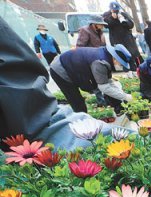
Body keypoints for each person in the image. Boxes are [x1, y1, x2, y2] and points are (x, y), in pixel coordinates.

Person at [0, 17, 123, 151]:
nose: (101, 26)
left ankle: (84, 128)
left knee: (93, 89)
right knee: (77, 100)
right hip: (62, 70)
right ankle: (82, 129)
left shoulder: (100, 47)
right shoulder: (88, 40)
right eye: (100, 24)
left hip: (78, 63)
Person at [49, 44, 133, 115]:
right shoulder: (100, 62)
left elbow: (108, 82)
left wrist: (122, 94)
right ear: (115, 58)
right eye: (120, 63)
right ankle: (83, 126)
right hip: (60, 69)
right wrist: (125, 96)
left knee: (83, 97)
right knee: (77, 101)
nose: (120, 66)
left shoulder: (106, 57)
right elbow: (104, 87)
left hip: (71, 64)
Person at [103, 1, 142, 72]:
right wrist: (112, 18)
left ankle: (134, 71)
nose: (115, 11)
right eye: (113, 10)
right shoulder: (106, 15)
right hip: (116, 40)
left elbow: (131, 25)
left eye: (116, 10)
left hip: (128, 40)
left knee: (132, 56)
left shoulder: (123, 14)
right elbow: (106, 25)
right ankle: (127, 72)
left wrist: (123, 21)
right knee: (122, 57)